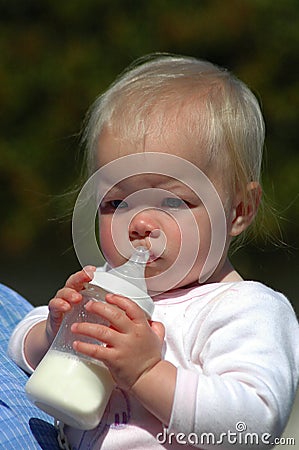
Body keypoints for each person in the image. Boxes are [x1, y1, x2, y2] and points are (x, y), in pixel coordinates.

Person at [8, 54, 299, 449]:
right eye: (116, 203)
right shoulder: (105, 286)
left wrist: (147, 372)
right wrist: (51, 334)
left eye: (172, 202)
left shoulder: (245, 309)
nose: (139, 223)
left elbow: (254, 425)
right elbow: (18, 335)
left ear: (240, 211)